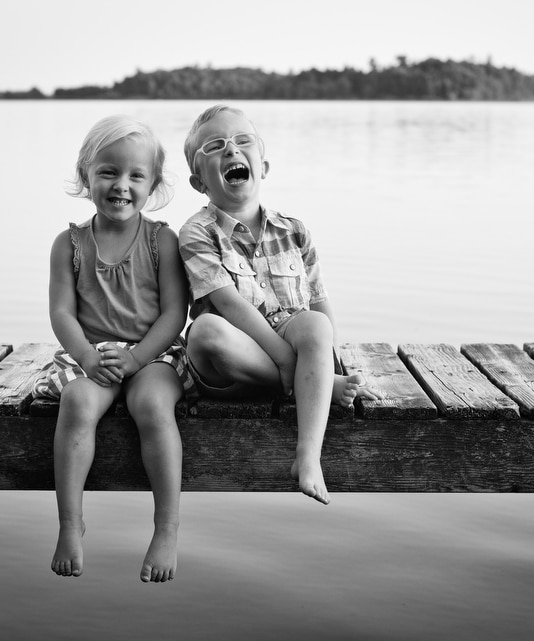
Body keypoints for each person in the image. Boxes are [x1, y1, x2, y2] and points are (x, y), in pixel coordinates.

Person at [178, 105, 378, 506]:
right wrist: (290, 362)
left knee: (317, 328)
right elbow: (229, 305)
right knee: (206, 330)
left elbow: (319, 302)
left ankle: (308, 455)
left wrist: (329, 359)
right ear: (199, 181)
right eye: (215, 146)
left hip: (281, 343)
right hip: (229, 361)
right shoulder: (197, 232)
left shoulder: (294, 230)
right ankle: (313, 384)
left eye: (243, 141)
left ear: (263, 166)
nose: (231, 150)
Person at [33, 115, 192, 583]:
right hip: (93, 353)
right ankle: (69, 523)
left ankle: (166, 529)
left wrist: (139, 358)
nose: (121, 185)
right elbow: (62, 312)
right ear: (87, 175)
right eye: (108, 172)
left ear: (152, 185)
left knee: (152, 403)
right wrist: (85, 357)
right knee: (78, 401)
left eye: (135, 176)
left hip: (154, 353)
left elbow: (173, 313)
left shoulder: (162, 240)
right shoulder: (70, 243)